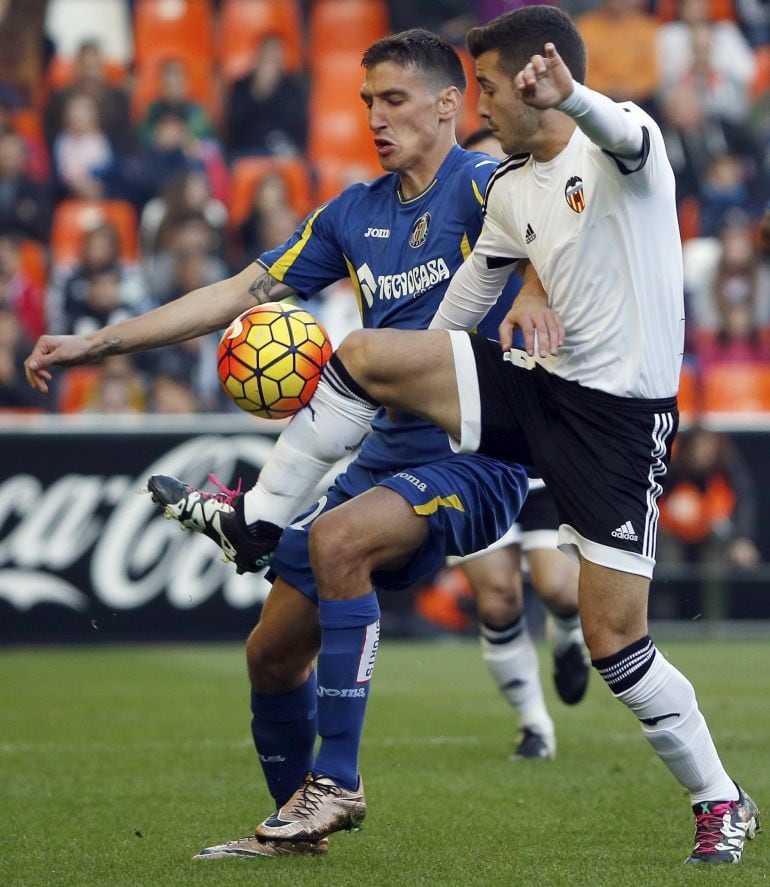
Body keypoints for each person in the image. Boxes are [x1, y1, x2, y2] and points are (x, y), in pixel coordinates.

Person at [158, 6, 758, 865]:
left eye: (485, 86)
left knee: (616, 641)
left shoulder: (630, 154)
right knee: (366, 352)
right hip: (537, 392)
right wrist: (402, 368)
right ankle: (258, 516)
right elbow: (458, 314)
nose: (478, 105)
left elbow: (621, 131)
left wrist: (575, 95)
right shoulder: (511, 189)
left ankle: (722, 798)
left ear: (533, 80)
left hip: (619, 427)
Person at [24, 30, 557, 858]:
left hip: (479, 453)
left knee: (342, 541)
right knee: (270, 654)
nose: (375, 119)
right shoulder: (352, 213)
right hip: (383, 453)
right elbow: (239, 291)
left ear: (450, 104)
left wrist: (529, 284)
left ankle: (337, 779)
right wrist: (96, 344)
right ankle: (295, 825)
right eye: (365, 103)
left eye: (394, 100)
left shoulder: (487, 185)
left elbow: (561, 235)